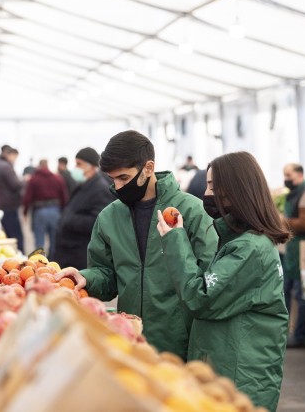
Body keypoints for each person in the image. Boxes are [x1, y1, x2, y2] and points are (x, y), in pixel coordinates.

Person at [55, 131, 217, 360]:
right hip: (131, 343)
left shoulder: (191, 211)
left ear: (148, 168)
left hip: (180, 343)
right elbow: (107, 275)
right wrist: (86, 278)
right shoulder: (109, 217)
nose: (118, 187)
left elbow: (208, 278)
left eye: (124, 178)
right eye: (113, 180)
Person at [156, 151, 289, 412]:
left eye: (213, 187)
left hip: (240, 375)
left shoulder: (249, 248)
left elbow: (200, 298)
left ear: (236, 191)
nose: (206, 194)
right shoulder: (241, 242)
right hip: (231, 366)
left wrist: (175, 239)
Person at [54, 148, 113, 270]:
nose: (76, 168)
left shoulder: (100, 189)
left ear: (91, 166)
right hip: (69, 249)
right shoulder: (83, 185)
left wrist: (70, 219)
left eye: (79, 164)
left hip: (80, 253)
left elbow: (98, 221)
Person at [282, 163, 305, 348]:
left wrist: (282, 222)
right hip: (293, 251)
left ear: (299, 174)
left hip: (304, 250)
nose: (286, 178)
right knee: (288, 291)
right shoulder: (294, 193)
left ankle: (300, 336)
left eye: (288, 175)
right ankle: (288, 333)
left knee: (302, 294)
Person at [22, 159, 68, 256]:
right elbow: (64, 196)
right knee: (54, 241)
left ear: (39, 166)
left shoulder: (34, 179)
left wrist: (25, 212)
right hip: (55, 211)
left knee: (39, 241)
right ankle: (53, 264)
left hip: (40, 212)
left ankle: (40, 264)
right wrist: (64, 211)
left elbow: (28, 198)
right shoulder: (57, 178)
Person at [0, 146, 24, 250]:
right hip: (8, 206)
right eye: (15, 157)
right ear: (10, 155)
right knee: (15, 237)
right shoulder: (6, 167)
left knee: (8, 235)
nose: (15, 160)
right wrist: (25, 181)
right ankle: (19, 261)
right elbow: (15, 185)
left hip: (0, 204)